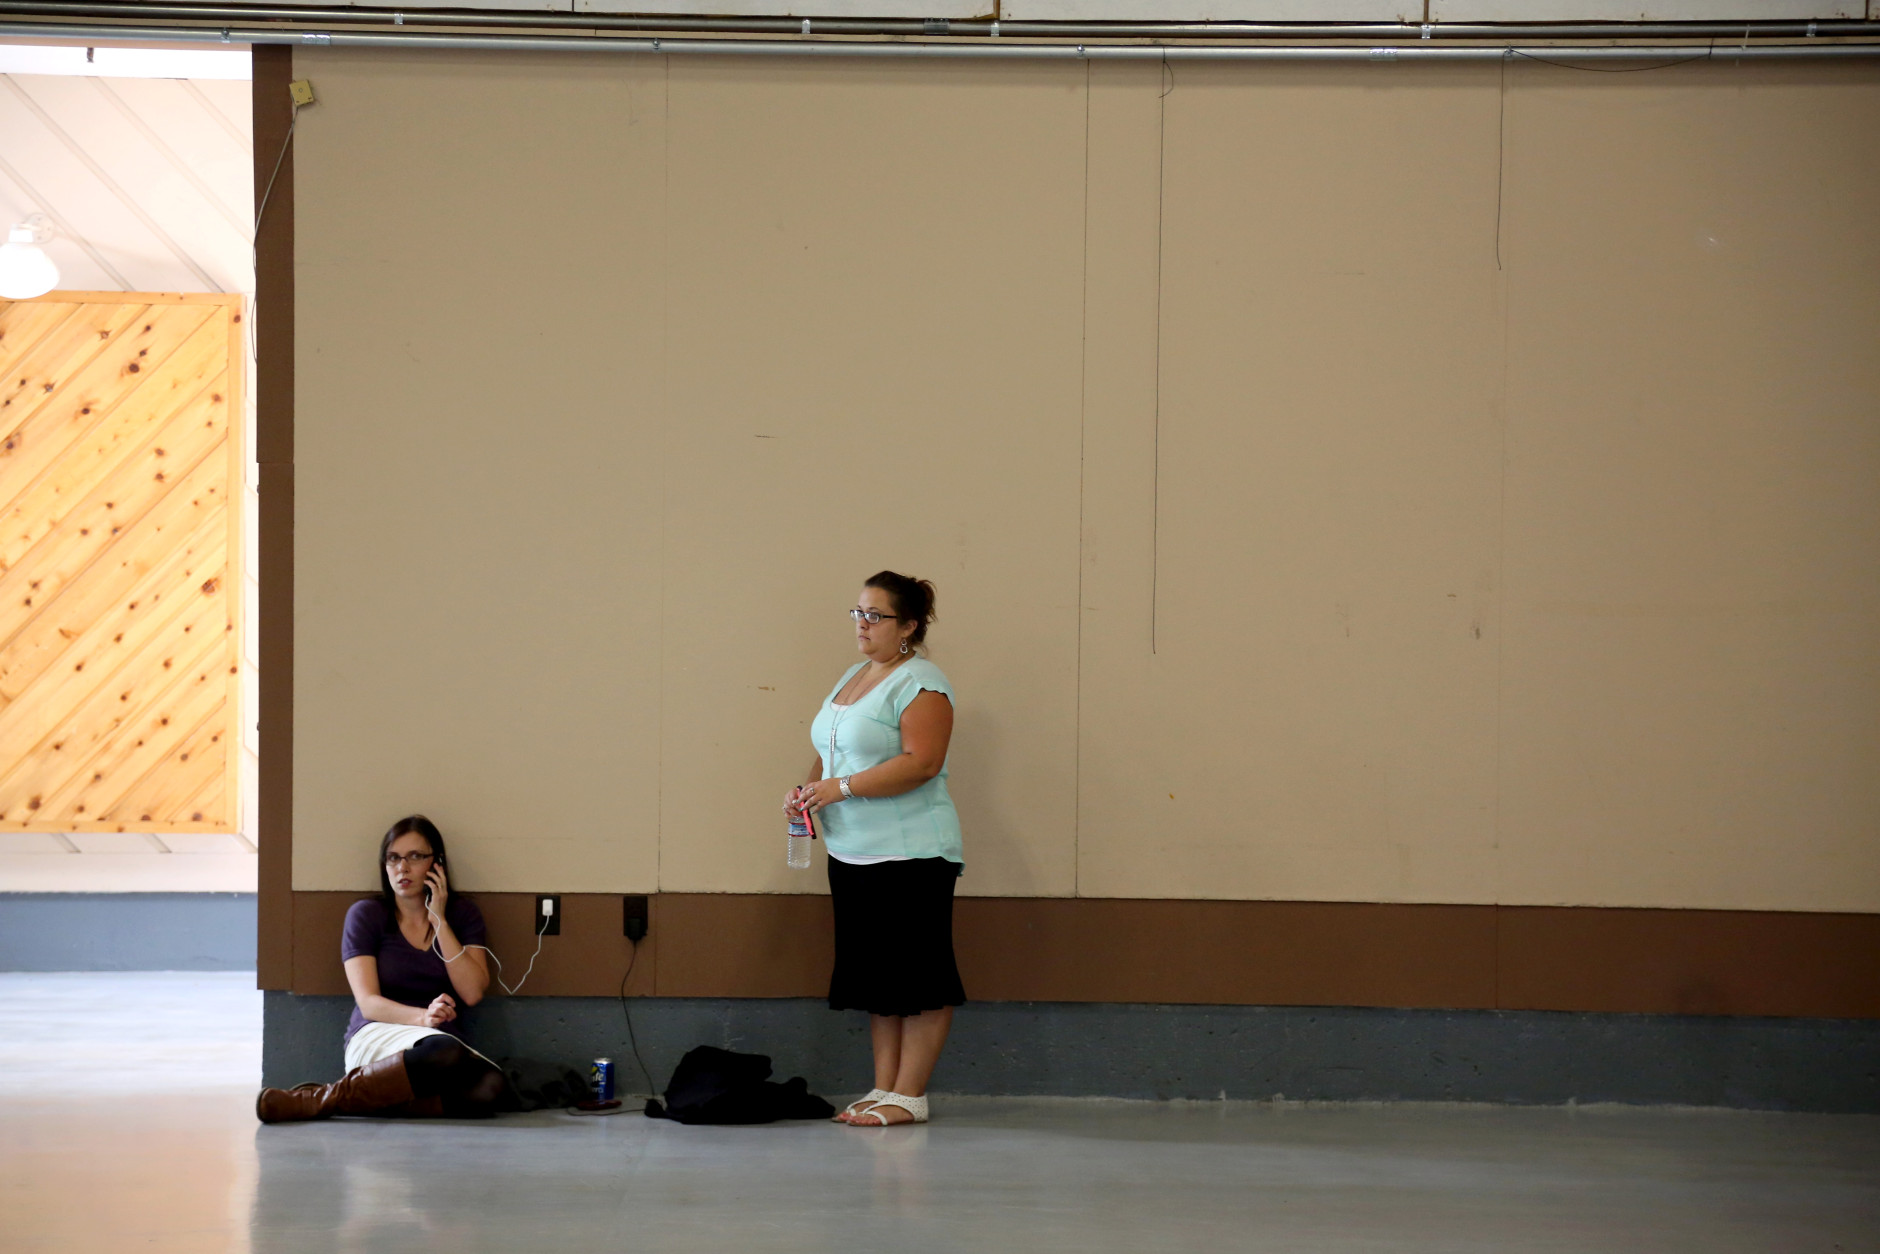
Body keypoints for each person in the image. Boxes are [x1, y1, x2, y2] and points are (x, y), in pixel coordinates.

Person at [785, 571, 965, 1127]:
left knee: (919, 976)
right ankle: (883, 1087)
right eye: (857, 613)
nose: (862, 624)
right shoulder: (855, 675)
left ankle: (911, 1095)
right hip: (852, 852)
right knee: (877, 980)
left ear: (908, 626)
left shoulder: (922, 683)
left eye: (875, 616)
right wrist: (809, 792)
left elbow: (921, 763)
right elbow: (831, 750)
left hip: (911, 854)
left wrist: (839, 789)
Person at [255, 815, 508, 1122]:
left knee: (491, 1087)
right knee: (444, 1053)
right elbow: (368, 1002)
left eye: (415, 856)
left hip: (439, 1042)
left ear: (437, 863)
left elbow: (471, 993)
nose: (403, 867)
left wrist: (439, 919)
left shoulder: (462, 914)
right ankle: (316, 1099)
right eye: (393, 858)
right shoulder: (366, 915)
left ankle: (341, 1099)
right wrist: (423, 1017)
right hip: (378, 1034)